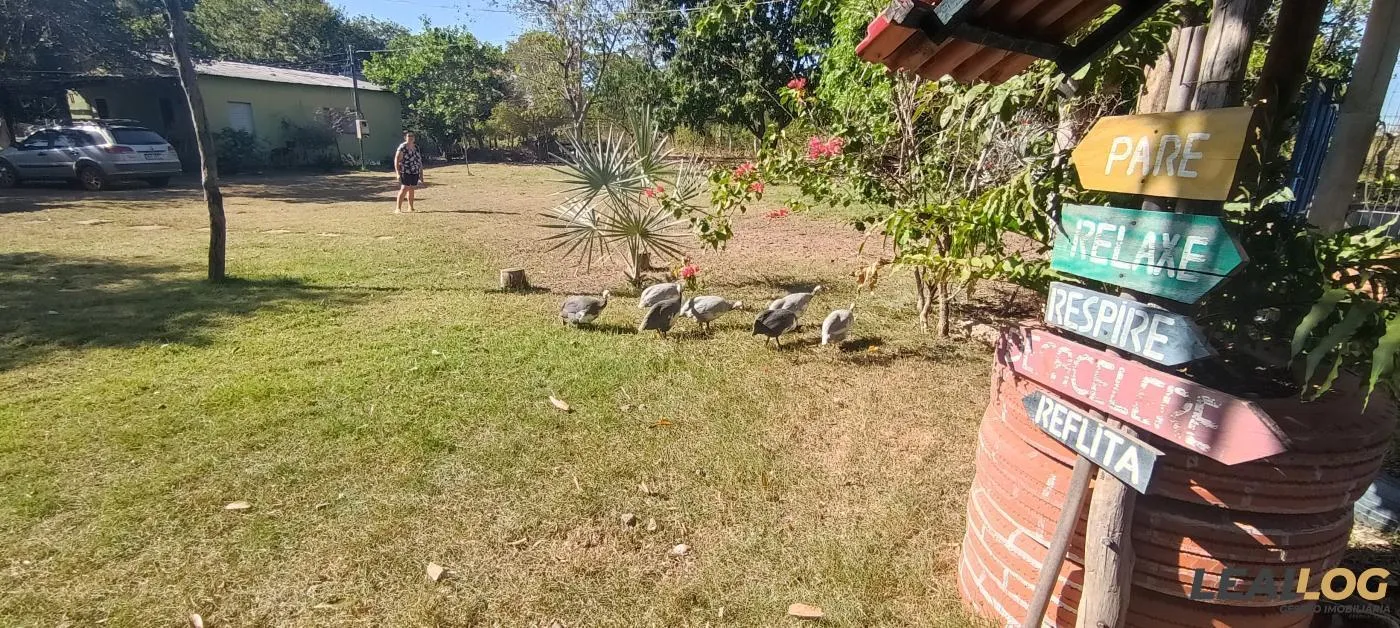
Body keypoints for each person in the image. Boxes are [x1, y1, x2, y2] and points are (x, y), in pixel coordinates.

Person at [394, 131, 424, 213]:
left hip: (415, 171)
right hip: (405, 170)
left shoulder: (416, 147)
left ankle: (411, 207)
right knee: (404, 188)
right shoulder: (402, 147)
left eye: (412, 136)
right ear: (405, 138)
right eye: (408, 136)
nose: (410, 138)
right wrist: (397, 173)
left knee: (412, 188)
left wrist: (421, 174)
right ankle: (398, 208)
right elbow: (396, 160)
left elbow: (419, 161)